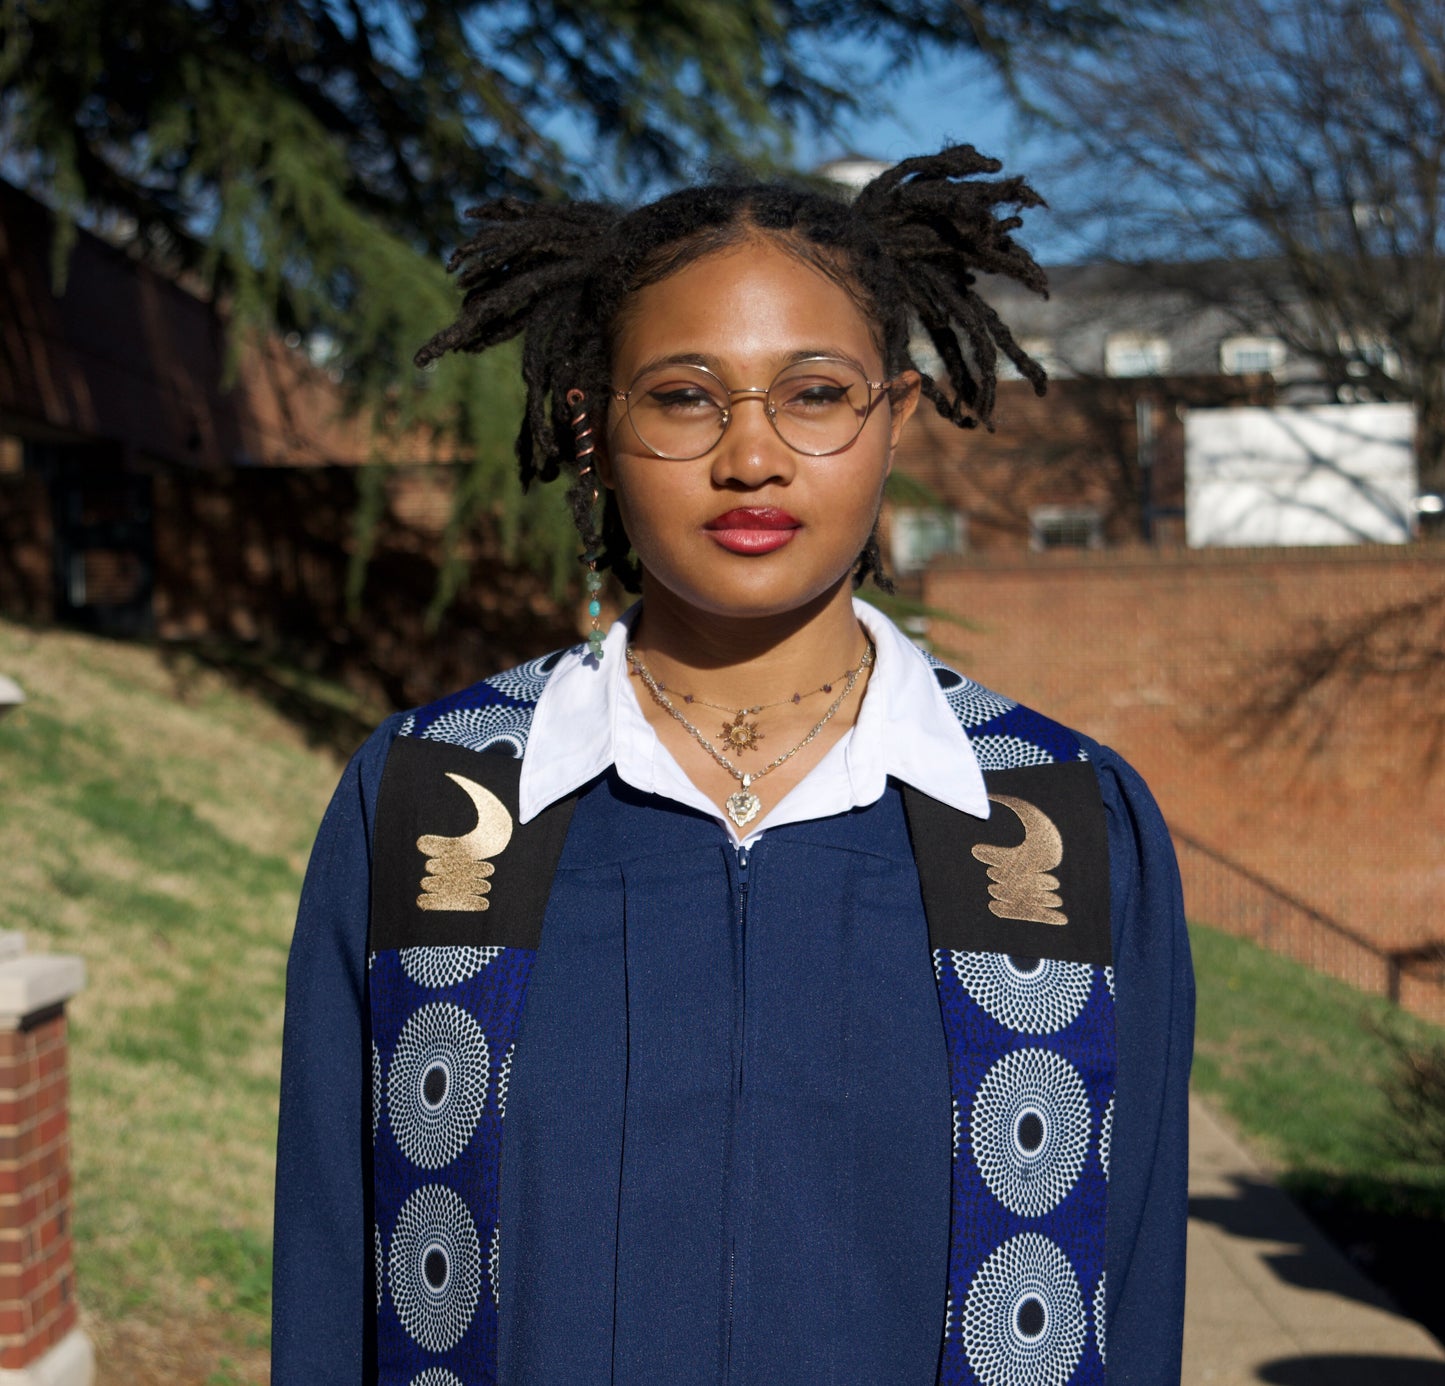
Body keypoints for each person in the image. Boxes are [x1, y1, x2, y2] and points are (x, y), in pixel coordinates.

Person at [272, 146, 1193, 1386]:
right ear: (593, 430)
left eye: (814, 394)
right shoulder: (432, 803)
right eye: (682, 396)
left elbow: (1127, 1295)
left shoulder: (1062, 824)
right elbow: (332, 1274)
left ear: (894, 419)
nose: (750, 455)